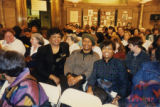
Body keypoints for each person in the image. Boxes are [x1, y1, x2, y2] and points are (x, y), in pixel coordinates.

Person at [87, 40, 129, 106]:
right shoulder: (97, 63)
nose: (106, 51)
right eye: (104, 48)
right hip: (99, 90)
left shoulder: (119, 63)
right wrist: (89, 89)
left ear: (113, 51)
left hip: (113, 92)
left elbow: (124, 83)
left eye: (109, 49)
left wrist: (118, 97)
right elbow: (93, 77)